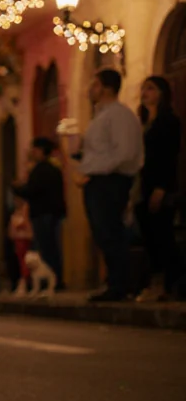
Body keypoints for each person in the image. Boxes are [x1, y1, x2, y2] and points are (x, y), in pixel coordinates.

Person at [65, 69, 144, 301]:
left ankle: (122, 285)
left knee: (110, 232)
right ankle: (115, 282)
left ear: (106, 88)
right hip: (98, 180)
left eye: (94, 85)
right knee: (102, 233)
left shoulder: (119, 115)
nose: (90, 90)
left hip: (110, 182)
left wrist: (97, 171)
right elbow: (101, 152)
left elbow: (126, 152)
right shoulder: (100, 116)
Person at [136, 76, 180, 299]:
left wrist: (162, 187)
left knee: (162, 233)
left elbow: (168, 156)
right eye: (143, 89)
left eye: (151, 89)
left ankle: (168, 284)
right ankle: (154, 282)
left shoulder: (168, 121)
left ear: (162, 93)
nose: (145, 93)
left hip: (161, 185)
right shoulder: (143, 122)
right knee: (149, 235)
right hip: (143, 185)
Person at [13, 137, 66, 289]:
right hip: (53, 214)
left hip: (43, 214)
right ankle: (56, 279)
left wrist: (17, 188)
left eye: (35, 150)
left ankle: (50, 281)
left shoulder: (40, 170)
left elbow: (32, 191)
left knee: (46, 248)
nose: (32, 153)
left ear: (41, 151)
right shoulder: (55, 169)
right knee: (53, 247)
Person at [8, 198, 34, 294]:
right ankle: (22, 281)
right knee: (20, 260)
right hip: (17, 237)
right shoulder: (16, 210)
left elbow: (24, 222)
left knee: (24, 261)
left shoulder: (25, 208)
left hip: (23, 237)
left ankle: (24, 282)